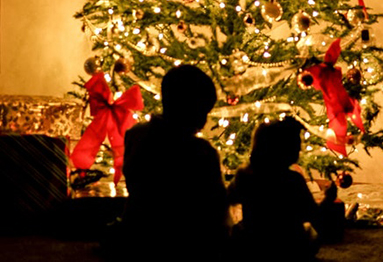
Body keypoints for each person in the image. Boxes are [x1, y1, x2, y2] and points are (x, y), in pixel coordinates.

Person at [111, 64, 230, 261]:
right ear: (189, 109)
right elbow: (216, 209)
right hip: (182, 240)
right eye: (203, 112)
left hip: (137, 231)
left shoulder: (135, 135)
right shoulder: (201, 153)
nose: (204, 120)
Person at [228, 116, 339, 260]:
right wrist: (327, 198)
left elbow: (229, 198)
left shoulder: (243, 174)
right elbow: (313, 215)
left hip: (254, 242)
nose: (300, 149)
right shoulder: (293, 180)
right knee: (310, 235)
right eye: (296, 145)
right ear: (285, 149)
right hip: (288, 245)